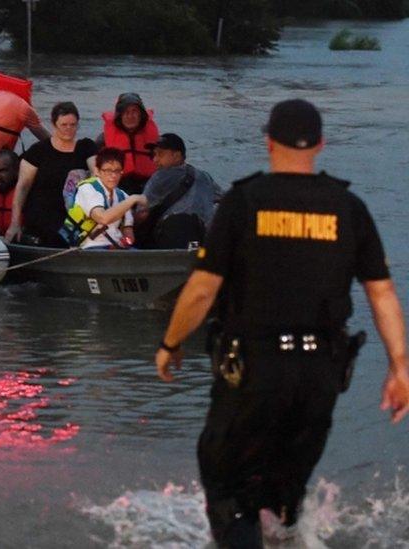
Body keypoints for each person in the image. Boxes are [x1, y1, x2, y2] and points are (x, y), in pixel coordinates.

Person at [154, 99, 409, 547]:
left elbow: (202, 289)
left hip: (255, 370)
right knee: (283, 495)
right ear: (321, 145)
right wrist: (400, 366)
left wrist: (171, 343)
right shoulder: (348, 208)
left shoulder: (243, 202)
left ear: (268, 141)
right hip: (321, 376)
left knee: (228, 487)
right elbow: (382, 292)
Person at [5, 102, 98, 247]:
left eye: (73, 125)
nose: (69, 129)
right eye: (64, 125)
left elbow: (96, 170)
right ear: (54, 125)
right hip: (43, 213)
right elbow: (22, 187)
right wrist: (15, 223)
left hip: (74, 213)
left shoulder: (86, 147)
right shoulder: (38, 151)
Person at [135, 133, 223, 249]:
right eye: (154, 155)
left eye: (160, 154)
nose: (155, 160)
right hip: (203, 237)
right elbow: (225, 199)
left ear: (177, 156)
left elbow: (141, 213)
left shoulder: (160, 177)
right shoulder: (204, 176)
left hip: (172, 236)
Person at [61, 147, 146, 249]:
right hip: (90, 248)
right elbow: (103, 218)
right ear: (97, 171)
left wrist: (126, 241)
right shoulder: (87, 189)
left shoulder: (123, 196)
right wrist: (133, 199)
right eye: (107, 170)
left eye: (117, 171)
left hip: (116, 247)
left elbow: (128, 231)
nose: (113, 175)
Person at [97, 92, 160, 195]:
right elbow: (96, 167)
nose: (130, 116)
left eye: (134, 111)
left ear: (141, 114)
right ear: (119, 115)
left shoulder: (156, 141)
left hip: (148, 186)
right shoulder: (103, 140)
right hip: (118, 186)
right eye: (126, 112)